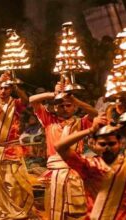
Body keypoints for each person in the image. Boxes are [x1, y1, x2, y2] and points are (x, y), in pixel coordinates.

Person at [55, 114, 126, 219]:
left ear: (120, 144)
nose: (107, 148)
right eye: (102, 144)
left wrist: (125, 132)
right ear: (94, 145)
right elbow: (59, 147)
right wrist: (90, 130)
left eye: (112, 144)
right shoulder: (88, 165)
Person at [29, 82, 97, 220]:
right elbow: (32, 100)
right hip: (55, 171)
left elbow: (94, 113)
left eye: (68, 105)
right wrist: (53, 94)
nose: (65, 108)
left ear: (74, 107)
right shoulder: (49, 120)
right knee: (53, 207)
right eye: (61, 105)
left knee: (76, 209)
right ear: (55, 107)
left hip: (75, 170)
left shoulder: (81, 122)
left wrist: (74, 99)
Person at [0, 72, 33, 219]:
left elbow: (26, 100)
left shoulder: (15, 103)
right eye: (0, 88)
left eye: (7, 88)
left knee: (12, 181)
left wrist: (16, 87)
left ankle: (14, 209)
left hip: (11, 147)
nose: (3, 91)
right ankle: (2, 208)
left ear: (11, 90)